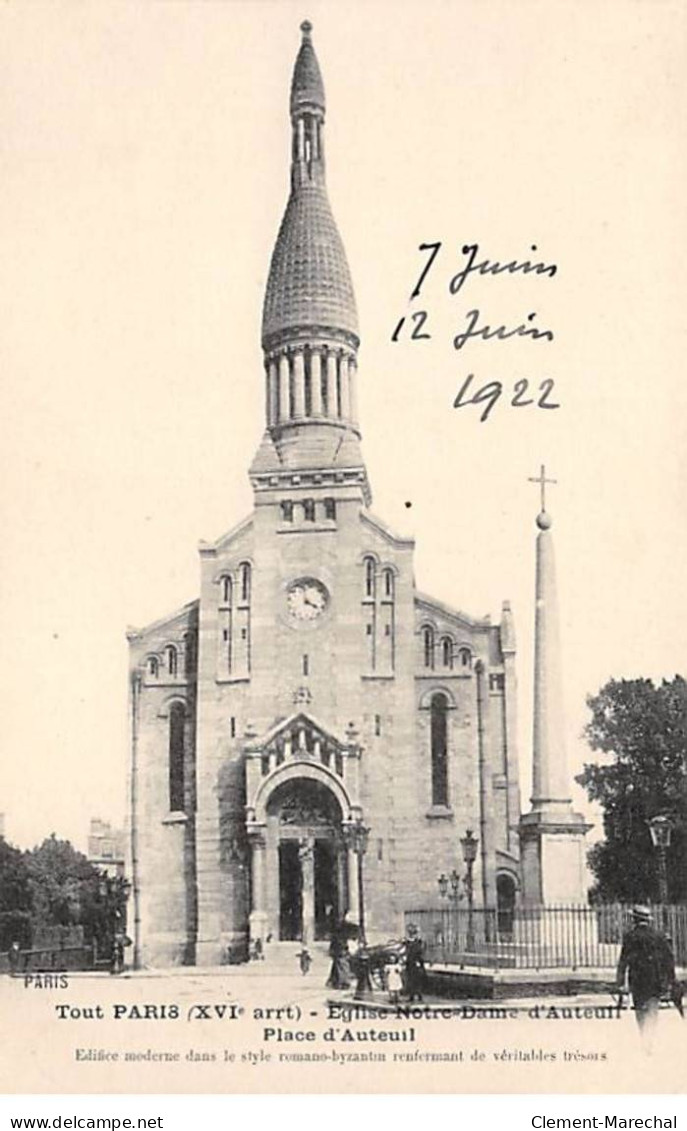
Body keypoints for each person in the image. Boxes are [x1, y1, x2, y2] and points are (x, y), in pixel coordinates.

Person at [616, 905, 676, 1052]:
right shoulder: (659, 935)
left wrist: (620, 981)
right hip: (655, 979)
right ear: (648, 920)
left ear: (634, 920)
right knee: (652, 1009)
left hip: (637, 979)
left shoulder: (630, 936)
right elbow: (669, 959)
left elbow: (624, 960)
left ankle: (644, 1036)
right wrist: (671, 979)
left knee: (640, 1009)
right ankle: (650, 1037)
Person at [326, 911, 353, 989]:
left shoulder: (342, 926)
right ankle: (335, 981)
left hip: (340, 947)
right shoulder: (341, 926)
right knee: (339, 963)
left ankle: (341, 981)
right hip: (339, 946)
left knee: (340, 963)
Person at [403, 923, 426, 1002]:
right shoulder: (410, 943)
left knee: (416, 980)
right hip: (411, 964)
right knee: (412, 980)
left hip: (415, 963)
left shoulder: (416, 943)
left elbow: (419, 953)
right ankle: (413, 995)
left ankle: (418, 995)